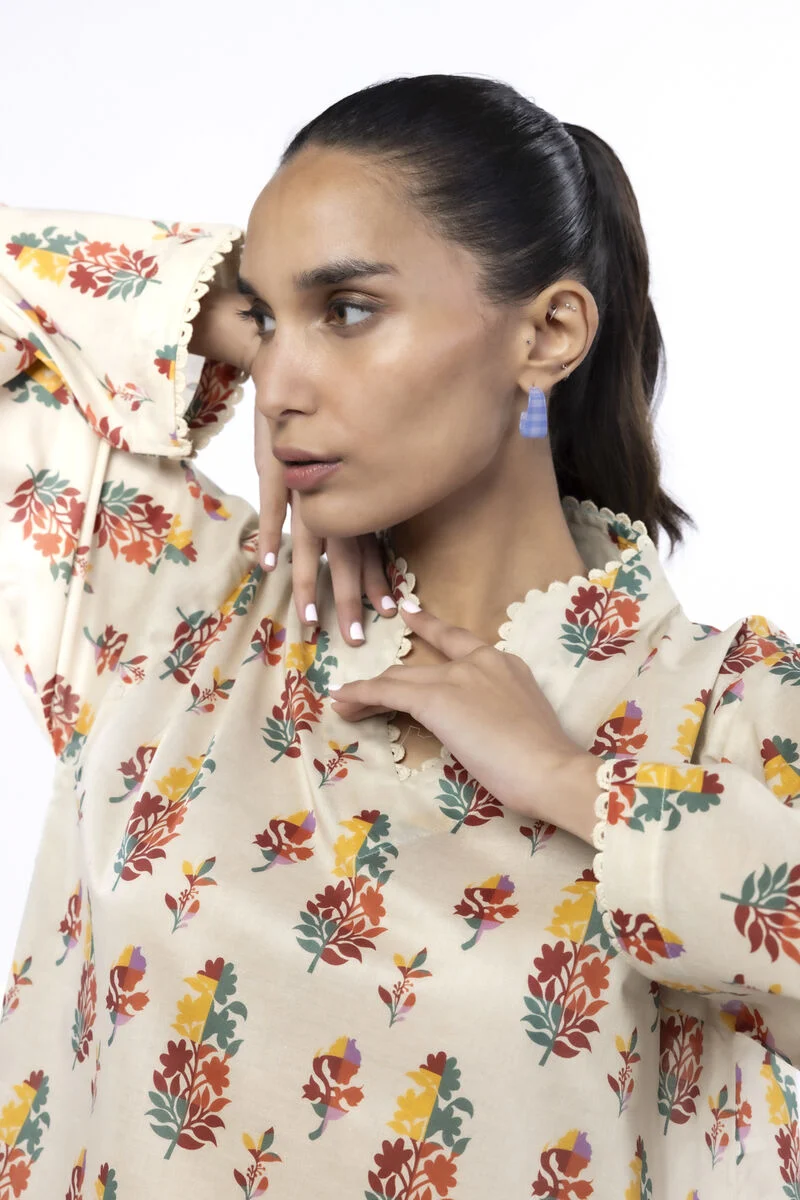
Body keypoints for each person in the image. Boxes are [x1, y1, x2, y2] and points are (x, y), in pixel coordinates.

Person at [0, 72, 797, 1200]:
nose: (280, 387)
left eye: (347, 310)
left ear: (548, 333)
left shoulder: (725, 713)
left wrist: (569, 781)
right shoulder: (175, 606)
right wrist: (210, 310)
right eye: (269, 320)